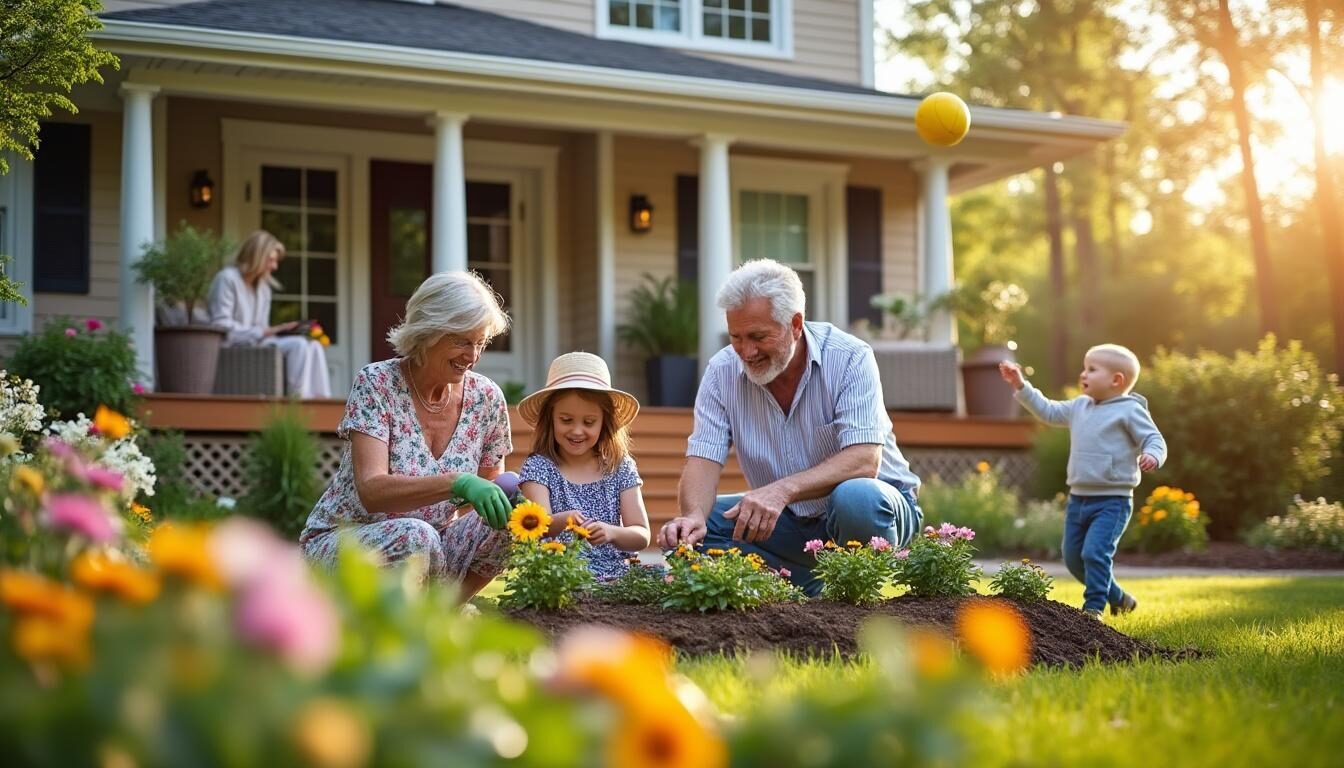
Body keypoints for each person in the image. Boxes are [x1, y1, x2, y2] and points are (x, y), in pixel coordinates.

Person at [656, 259, 923, 596]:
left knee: (855, 497)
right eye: (736, 337)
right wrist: (692, 514)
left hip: (874, 509)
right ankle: (802, 589)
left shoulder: (850, 357)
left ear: (795, 324)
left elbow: (864, 461)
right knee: (688, 535)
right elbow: (702, 459)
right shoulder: (721, 371)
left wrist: (781, 490)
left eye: (758, 337)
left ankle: (851, 592)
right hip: (791, 520)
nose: (746, 351)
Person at [299, 271, 515, 600]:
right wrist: (456, 482)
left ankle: (439, 618)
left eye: (480, 343)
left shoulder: (486, 399)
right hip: (347, 542)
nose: (472, 357)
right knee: (416, 536)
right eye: (461, 341)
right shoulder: (377, 384)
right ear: (427, 332)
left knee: (509, 521)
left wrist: (507, 497)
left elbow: (487, 500)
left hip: (432, 550)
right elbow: (372, 490)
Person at [999, 343, 1167, 619]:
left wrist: (1152, 455)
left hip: (1113, 501)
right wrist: (1021, 385)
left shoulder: (1129, 410)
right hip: (1079, 498)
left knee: (1094, 554)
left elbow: (1153, 438)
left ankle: (1093, 609)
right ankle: (1119, 598)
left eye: (1091, 369)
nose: (1083, 374)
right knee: (1074, 557)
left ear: (1116, 380)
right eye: (1084, 368)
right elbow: (1049, 411)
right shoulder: (1080, 406)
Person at [516, 352, 651, 580]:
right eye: (566, 420)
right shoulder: (539, 467)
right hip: (558, 575)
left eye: (589, 422)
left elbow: (641, 534)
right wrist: (565, 520)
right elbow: (538, 525)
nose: (577, 431)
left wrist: (611, 532)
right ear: (551, 419)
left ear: (604, 423)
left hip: (614, 575)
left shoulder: (620, 467)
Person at [207, 230, 332, 398]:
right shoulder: (227, 279)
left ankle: (321, 401)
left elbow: (262, 330)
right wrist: (268, 331)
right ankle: (299, 401)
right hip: (233, 348)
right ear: (256, 256)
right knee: (299, 346)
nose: (274, 266)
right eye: (271, 260)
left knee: (313, 344)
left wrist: (284, 330)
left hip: (257, 344)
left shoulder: (263, 288)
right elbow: (220, 325)